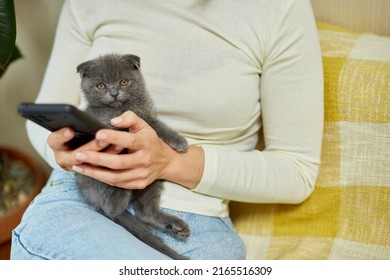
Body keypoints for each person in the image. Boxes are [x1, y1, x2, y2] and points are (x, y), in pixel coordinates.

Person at [11, 0, 323, 260]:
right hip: (86, 198)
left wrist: (171, 161)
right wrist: (70, 153)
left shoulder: (279, 9)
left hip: (199, 218)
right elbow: (44, 118)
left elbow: (297, 171)